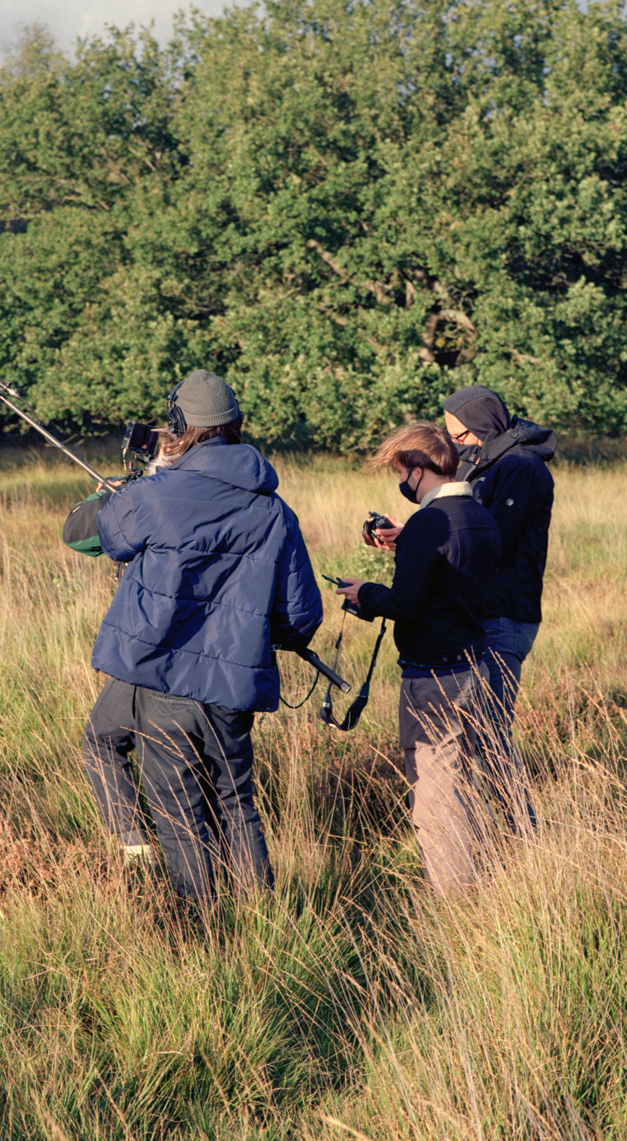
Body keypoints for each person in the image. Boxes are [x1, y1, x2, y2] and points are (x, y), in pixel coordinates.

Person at [62, 371, 323, 906]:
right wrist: (252, 638)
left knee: (180, 814)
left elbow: (97, 537)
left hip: (164, 679)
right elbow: (302, 616)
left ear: (180, 426)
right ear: (234, 426)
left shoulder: (155, 495)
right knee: (236, 803)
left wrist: (137, 480)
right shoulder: (274, 509)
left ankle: (203, 934)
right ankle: (260, 922)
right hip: (235, 686)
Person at [332, 421, 532, 893]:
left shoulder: (429, 523)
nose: (401, 481)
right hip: (474, 666)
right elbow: (447, 581)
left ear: (418, 469)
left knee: (436, 796)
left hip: (433, 677)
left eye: (401, 471)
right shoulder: (478, 514)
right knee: (463, 779)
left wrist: (365, 593)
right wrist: (406, 549)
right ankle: (488, 876)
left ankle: (455, 901)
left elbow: (406, 604)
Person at [439, 385, 556, 717]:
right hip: (477, 612)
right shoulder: (480, 463)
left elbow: (492, 543)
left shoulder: (521, 467)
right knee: (467, 727)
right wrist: (411, 536)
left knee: (489, 729)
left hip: (502, 615)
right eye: (450, 437)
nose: (456, 444)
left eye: (460, 435)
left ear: (483, 425)